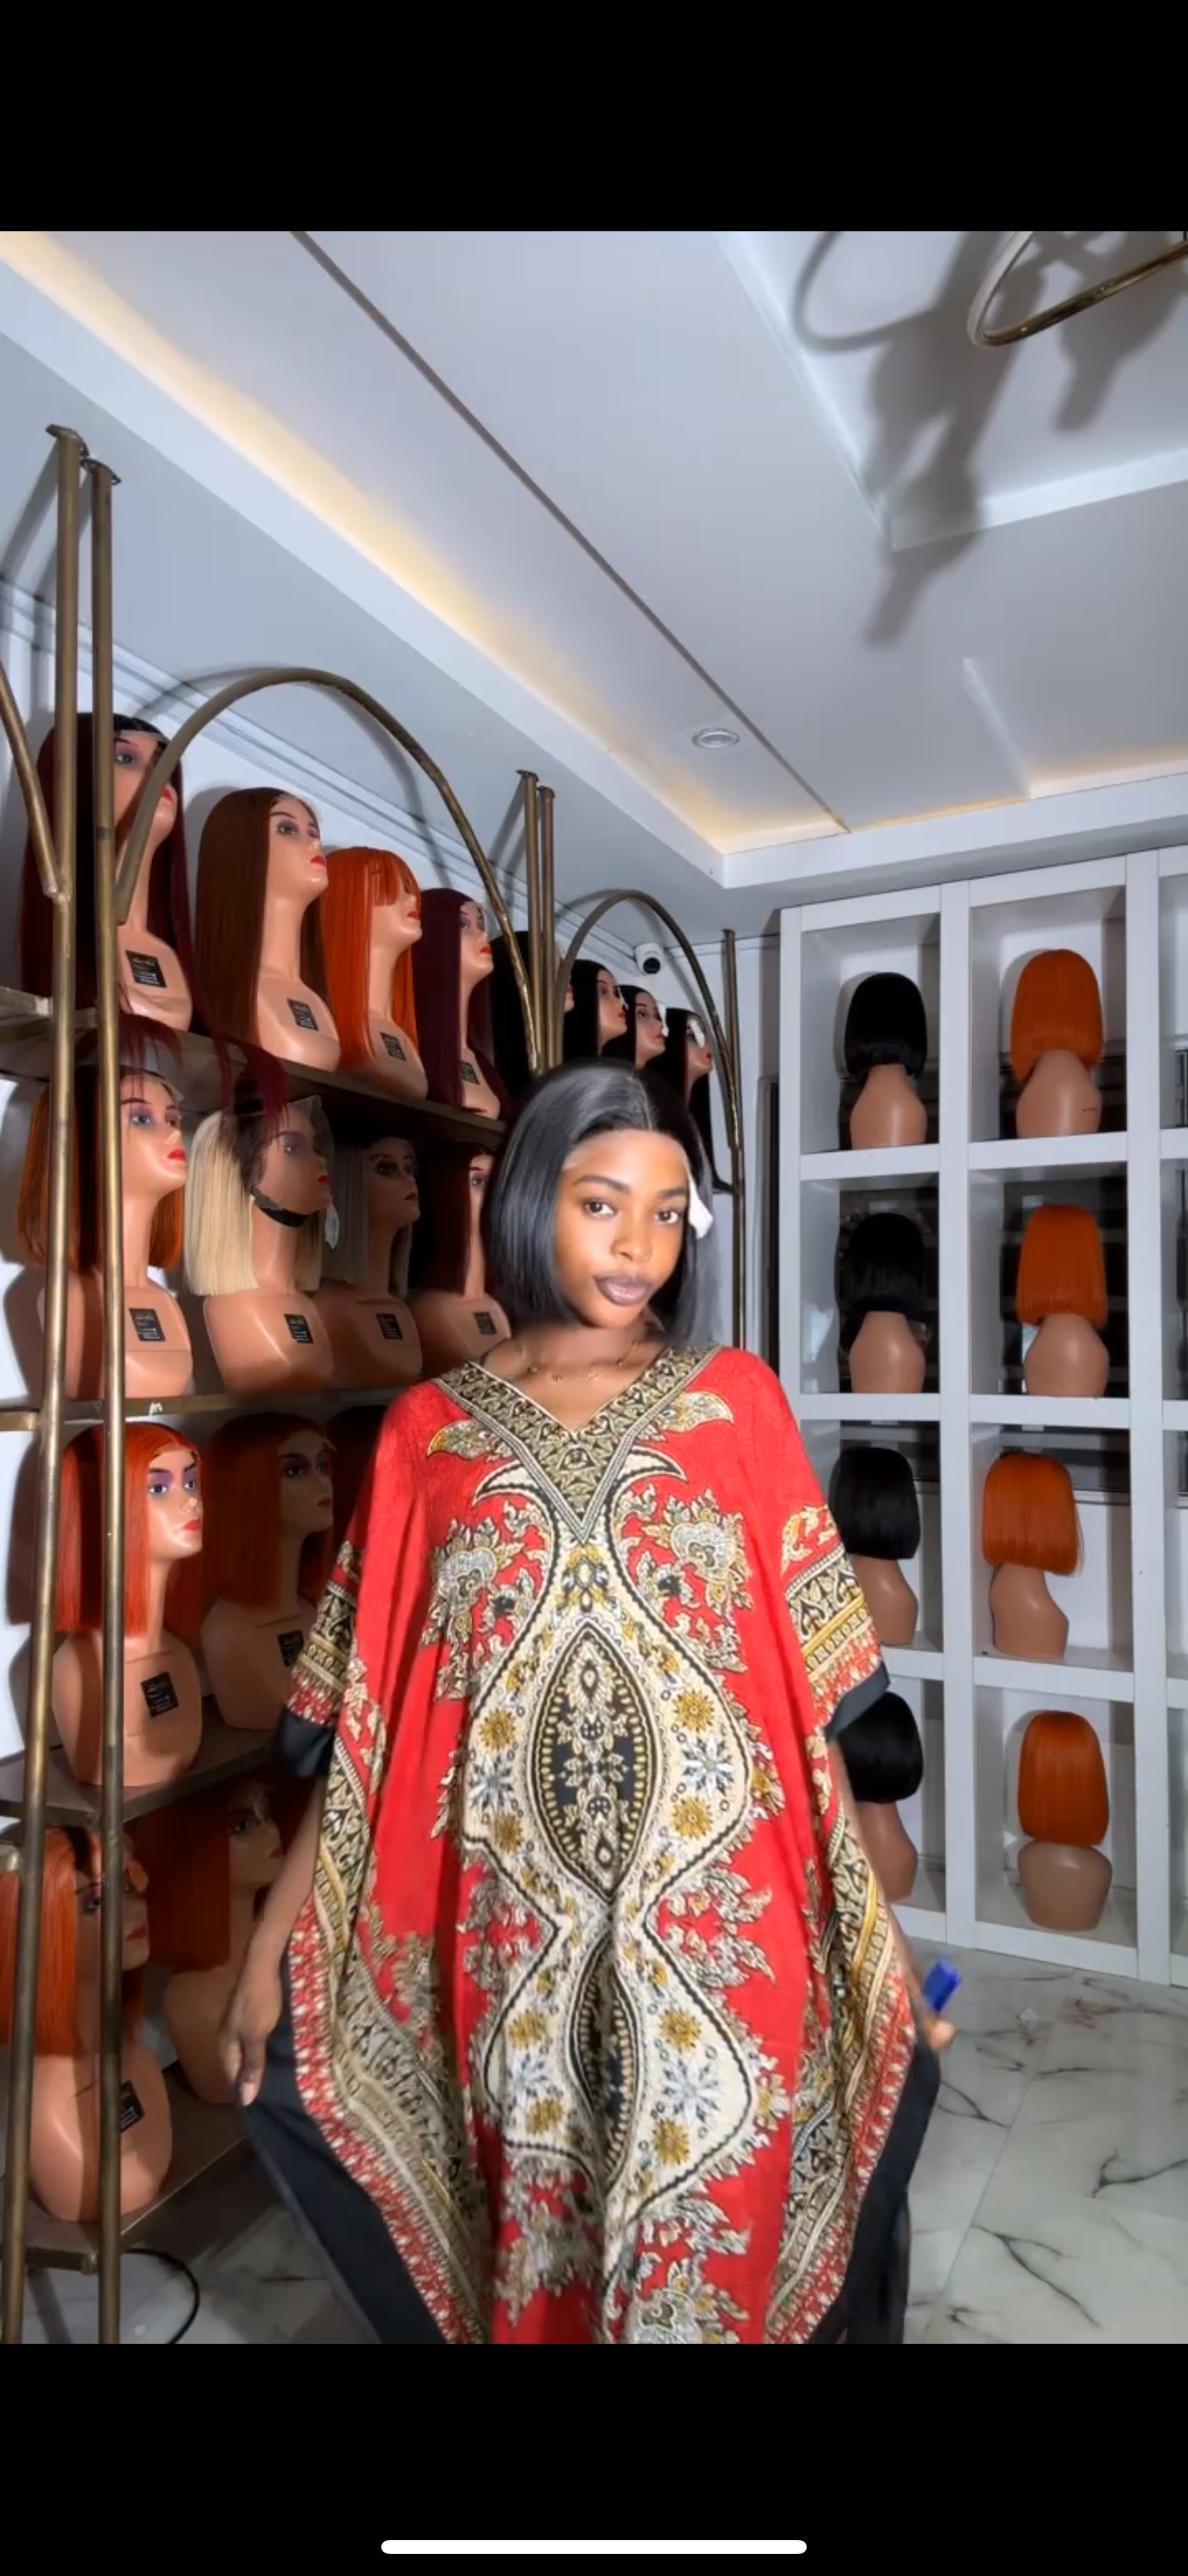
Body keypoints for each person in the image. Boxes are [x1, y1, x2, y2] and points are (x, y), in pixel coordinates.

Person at [220, 1061, 951, 2345]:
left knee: (707, 2232)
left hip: (720, 1931)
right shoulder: (427, 1438)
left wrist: (875, 1940)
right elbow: (370, 1728)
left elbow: (800, 1705)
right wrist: (272, 1950)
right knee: (543, 2244)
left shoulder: (734, 1405)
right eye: (602, 1205)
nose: (637, 1247)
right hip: (516, 1944)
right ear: (527, 1201)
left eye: (667, 1214)